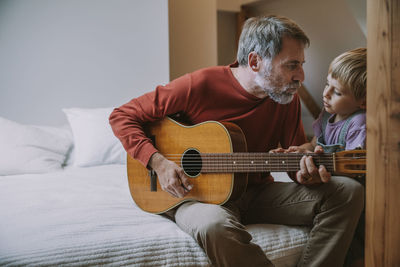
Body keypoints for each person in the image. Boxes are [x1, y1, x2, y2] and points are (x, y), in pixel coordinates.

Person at [109, 15, 364, 267]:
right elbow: (122, 116)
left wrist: (305, 173)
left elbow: (293, 159)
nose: (301, 76)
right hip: (194, 196)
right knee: (214, 225)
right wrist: (158, 163)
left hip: (255, 192)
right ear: (255, 61)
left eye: (301, 64)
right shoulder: (198, 85)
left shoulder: (286, 99)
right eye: (291, 65)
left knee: (348, 192)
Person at [274, 47, 367, 267]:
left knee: (354, 247)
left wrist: (319, 160)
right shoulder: (328, 115)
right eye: (327, 84)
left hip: (354, 194)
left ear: (362, 101)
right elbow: (316, 143)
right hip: (326, 182)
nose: (325, 93)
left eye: (337, 92)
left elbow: (356, 162)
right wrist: (301, 150)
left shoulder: (359, 122)